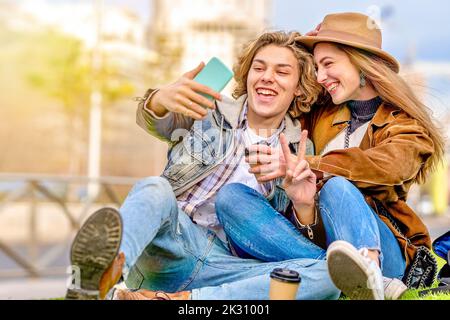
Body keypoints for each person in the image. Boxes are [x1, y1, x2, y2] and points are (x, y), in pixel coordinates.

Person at [65, 31, 340, 300]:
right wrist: (159, 100)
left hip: (230, 266)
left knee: (328, 274)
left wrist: (303, 205)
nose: (267, 76)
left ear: (299, 87)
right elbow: (156, 121)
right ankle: (98, 283)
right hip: (172, 244)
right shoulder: (208, 110)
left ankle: (181, 299)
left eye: (282, 72)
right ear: (248, 75)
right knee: (155, 187)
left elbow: (284, 239)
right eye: (259, 68)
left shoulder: (299, 150)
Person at [215, 12, 445, 300]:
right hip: (316, 238)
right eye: (316, 66)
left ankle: (371, 271)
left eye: (328, 64)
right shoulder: (321, 113)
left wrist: (310, 166)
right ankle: (338, 276)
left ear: (360, 62)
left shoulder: (407, 126)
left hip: (387, 250)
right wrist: (300, 49)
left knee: (337, 187)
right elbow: (282, 85)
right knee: (231, 198)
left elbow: (390, 166)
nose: (321, 77)